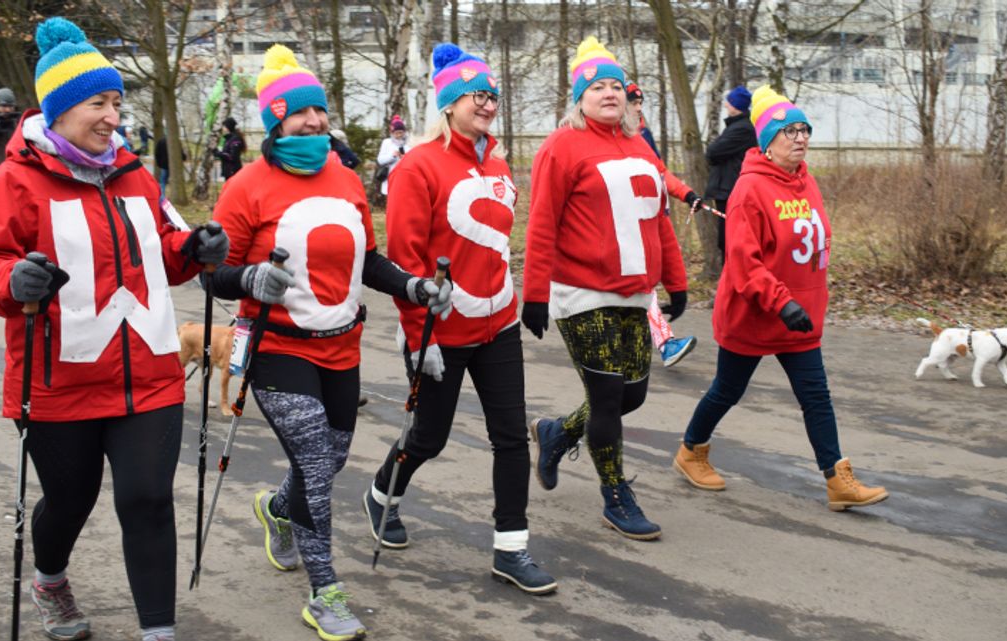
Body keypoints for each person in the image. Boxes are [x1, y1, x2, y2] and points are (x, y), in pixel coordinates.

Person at [0, 18, 229, 641]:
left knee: (148, 500)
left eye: (116, 103)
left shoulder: (134, 174)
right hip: (60, 383)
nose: (111, 117)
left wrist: (197, 247)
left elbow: (162, 247)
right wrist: (12, 281)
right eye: (96, 104)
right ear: (58, 109)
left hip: (150, 375)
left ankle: (158, 632)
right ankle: (50, 578)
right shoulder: (14, 181)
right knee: (69, 502)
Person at [207, 44, 450, 641]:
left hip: (341, 344)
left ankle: (276, 508)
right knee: (315, 461)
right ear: (275, 119)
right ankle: (326, 592)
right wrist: (248, 278)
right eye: (300, 114)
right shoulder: (246, 187)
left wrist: (414, 287)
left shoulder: (343, 178)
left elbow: (366, 258)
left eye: (320, 111)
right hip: (276, 347)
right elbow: (212, 273)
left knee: (332, 458)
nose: (315, 121)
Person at [364, 42, 556, 595]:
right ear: (448, 103)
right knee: (429, 437)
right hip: (439, 334)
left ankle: (511, 549)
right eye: (477, 95)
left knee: (511, 438)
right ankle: (381, 495)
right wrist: (416, 336)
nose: (487, 103)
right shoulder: (416, 167)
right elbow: (402, 260)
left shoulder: (495, 163)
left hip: (498, 325)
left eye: (492, 95)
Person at [673, 85, 889, 512]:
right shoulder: (748, 191)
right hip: (755, 315)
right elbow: (743, 263)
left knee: (816, 396)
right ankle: (690, 451)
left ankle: (837, 479)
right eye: (790, 130)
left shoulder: (807, 184)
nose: (801, 138)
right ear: (767, 141)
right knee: (726, 391)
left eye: (805, 129)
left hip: (799, 318)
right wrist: (781, 302)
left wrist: (805, 300)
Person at [523, 37, 689, 541]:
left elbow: (658, 220)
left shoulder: (640, 147)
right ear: (580, 97)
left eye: (617, 85)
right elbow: (542, 223)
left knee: (631, 395)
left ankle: (558, 432)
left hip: (635, 293)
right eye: (598, 86)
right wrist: (534, 293)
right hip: (581, 293)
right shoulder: (561, 147)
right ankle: (616, 496)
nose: (610, 93)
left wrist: (676, 283)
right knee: (609, 396)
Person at [625, 81, 699, 368]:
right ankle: (665, 342)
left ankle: (658, 339)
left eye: (640, 102)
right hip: (623, 229)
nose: (639, 107)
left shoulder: (642, 135)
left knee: (643, 286)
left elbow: (659, 171)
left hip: (649, 220)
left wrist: (686, 193)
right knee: (641, 286)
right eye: (634, 102)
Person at [703, 85, 756, 263]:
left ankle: (734, 283)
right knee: (725, 240)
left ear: (736, 105)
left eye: (729, 102)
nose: (726, 105)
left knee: (729, 241)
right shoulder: (736, 126)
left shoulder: (742, 129)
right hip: (726, 190)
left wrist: (714, 152)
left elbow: (713, 152)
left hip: (731, 190)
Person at [374, 115, 407, 197]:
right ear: (392, 133)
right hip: (390, 178)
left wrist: (405, 158)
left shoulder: (409, 143)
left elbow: (414, 160)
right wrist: (392, 156)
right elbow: (380, 160)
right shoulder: (387, 142)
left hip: (405, 178)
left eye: (401, 132)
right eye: (396, 133)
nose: (399, 135)